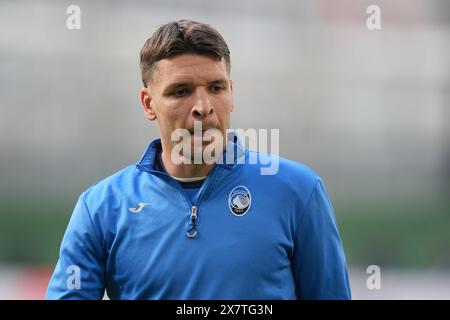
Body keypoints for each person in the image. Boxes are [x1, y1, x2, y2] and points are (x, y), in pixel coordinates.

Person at [46, 19, 351, 300]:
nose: (203, 107)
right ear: (148, 104)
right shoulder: (101, 207)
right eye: (181, 91)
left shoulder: (298, 191)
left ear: (231, 93)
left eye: (216, 88)